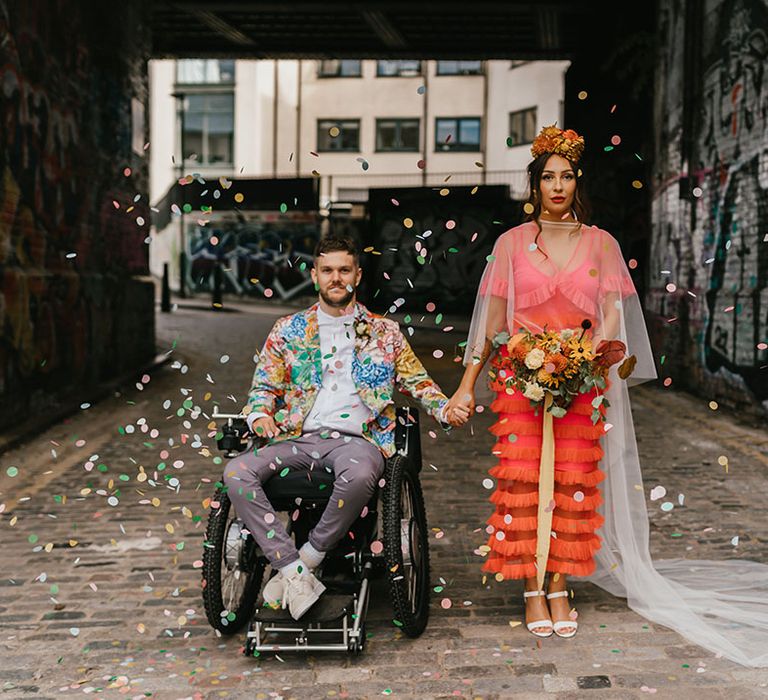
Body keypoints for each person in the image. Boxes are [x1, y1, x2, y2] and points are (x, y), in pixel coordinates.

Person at [444, 125, 768, 662]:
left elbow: (613, 318)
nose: (557, 185)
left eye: (566, 176)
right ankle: (531, 588)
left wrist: (594, 355)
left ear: (577, 182)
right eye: (547, 176)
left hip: (580, 385)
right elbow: (491, 325)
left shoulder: (603, 243)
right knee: (525, 485)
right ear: (534, 183)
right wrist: (464, 387)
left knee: (573, 484)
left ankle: (559, 587)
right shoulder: (509, 245)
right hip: (520, 386)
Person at [223, 235, 470, 620]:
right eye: (327, 271)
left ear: (357, 274)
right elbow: (265, 386)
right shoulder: (287, 330)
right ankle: (293, 571)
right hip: (298, 436)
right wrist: (260, 415)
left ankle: (307, 559)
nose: (335, 278)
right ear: (315, 276)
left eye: (343, 270)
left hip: (359, 440)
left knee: (358, 477)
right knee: (236, 472)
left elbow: (418, 382)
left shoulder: (385, 333)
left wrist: (446, 409)